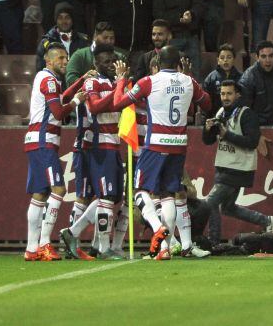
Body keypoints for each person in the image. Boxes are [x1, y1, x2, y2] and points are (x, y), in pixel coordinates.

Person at [111, 45, 213, 260]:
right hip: (179, 144)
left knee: (140, 190)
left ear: (157, 62)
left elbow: (118, 102)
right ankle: (164, 248)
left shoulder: (149, 81)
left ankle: (159, 228)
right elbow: (207, 103)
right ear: (178, 63)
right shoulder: (188, 81)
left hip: (156, 144)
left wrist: (121, 79)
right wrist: (188, 78)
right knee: (168, 194)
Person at [61, 44, 127, 260]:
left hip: (113, 143)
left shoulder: (112, 82)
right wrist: (118, 88)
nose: (110, 65)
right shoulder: (93, 82)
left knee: (110, 197)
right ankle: (103, 247)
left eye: (112, 61)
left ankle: (73, 233)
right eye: (106, 62)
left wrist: (121, 85)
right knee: (104, 197)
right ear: (96, 63)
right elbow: (96, 107)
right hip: (98, 145)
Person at [24, 43, 87, 261]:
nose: (65, 61)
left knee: (40, 194)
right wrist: (78, 101)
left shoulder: (46, 79)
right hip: (44, 141)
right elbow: (59, 112)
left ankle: (31, 249)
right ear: (48, 61)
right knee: (59, 189)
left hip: (36, 141)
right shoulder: (50, 81)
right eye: (60, 58)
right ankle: (44, 243)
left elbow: (59, 99)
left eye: (65, 57)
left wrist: (80, 81)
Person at [195, 79, 273, 239]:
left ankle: (213, 241)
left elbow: (252, 142)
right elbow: (208, 141)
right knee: (227, 208)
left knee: (210, 203)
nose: (225, 97)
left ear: (238, 95)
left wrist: (226, 135)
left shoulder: (246, 114)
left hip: (238, 168)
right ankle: (268, 221)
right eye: (222, 94)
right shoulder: (220, 112)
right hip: (223, 166)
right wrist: (207, 130)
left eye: (229, 94)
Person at [150, 0, 205, 79]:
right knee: (171, 77)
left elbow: (200, 5)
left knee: (195, 76)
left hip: (192, 36)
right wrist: (180, 19)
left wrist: (191, 14)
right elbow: (158, 14)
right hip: (171, 39)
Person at [65, 21, 127, 86]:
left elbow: (128, 82)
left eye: (112, 38)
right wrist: (84, 80)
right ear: (95, 37)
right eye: (105, 38)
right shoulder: (80, 55)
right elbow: (70, 79)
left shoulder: (120, 57)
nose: (109, 41)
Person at [36, 2, 89, 72]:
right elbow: (40, 69)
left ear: (72, 20)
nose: (64, 21)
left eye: (67, 18)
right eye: (60, 18)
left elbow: (88, 66)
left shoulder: (82, 41)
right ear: (56, 20)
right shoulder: (47, 42)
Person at [202, 43, 242, 118]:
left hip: (236, 118)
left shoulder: (241, 77)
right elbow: (206, 103)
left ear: (234, 59)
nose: (225, 60)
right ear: (218, 60)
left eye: (229, 57)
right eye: (222, 58)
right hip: (216, 117)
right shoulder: (211, 78)